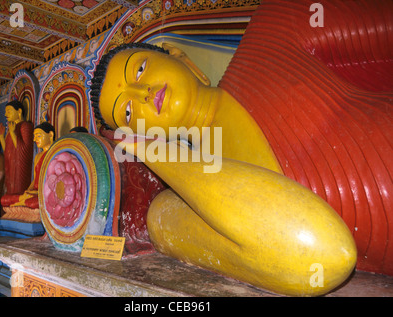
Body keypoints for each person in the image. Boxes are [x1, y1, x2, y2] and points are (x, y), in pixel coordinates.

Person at [90, 0, 392, 295]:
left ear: (181, 58)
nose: (143, 94)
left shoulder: (278, 26)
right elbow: (324, 256)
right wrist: (150, 150)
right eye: (127, 113)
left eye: (140, 70)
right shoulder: (173, 210)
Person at [0, 100, 34, 206]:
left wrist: (13, 133)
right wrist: (1, 136)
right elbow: (7, 150)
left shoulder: (25, 126)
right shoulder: (11, 129)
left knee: (18, 192)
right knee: (8, 193)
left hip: (20, 167)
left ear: (19, 111)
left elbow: (24, 150)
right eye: (5, 111)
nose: (5, 114)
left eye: (8, 111)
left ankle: (19, 203)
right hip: (10, 166)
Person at [10, 121, 55, 208]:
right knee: (4, 199)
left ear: (50, 135)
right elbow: (35, 179)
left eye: (38, 136)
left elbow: (54, 181)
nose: (34, 139)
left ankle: (23, 203)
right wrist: (28, 190)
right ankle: (24, 201)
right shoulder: (38, 156)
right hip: (34, 193)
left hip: (45, 193)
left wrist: (39, 192)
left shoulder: (55, 153)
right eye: (34, 136)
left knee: (35, 203)